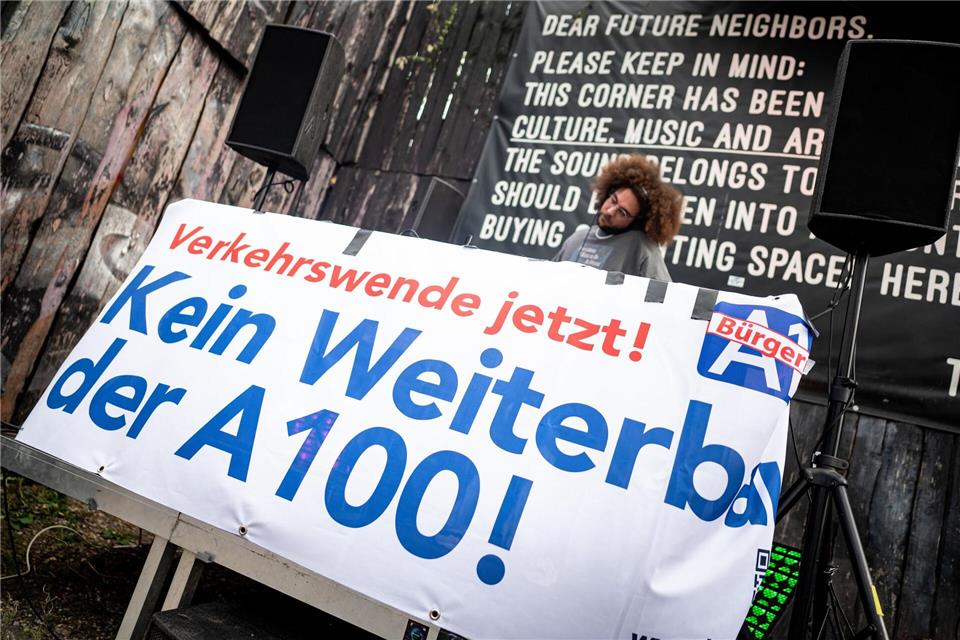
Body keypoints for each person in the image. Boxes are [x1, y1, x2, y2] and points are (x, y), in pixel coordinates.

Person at [553, 154, 683, 281]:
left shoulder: (643, 251)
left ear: (636, 222)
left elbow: (662, 293)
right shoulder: (577, 239)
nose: (610, 212)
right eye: (613, 200)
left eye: (622, 212)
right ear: (606, 195)